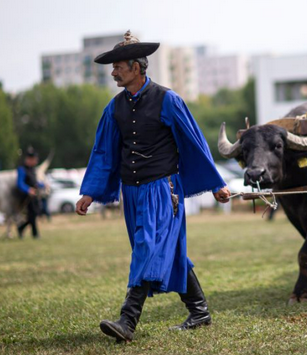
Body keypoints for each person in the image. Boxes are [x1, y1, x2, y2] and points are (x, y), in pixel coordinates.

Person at [75, 31, 231, 343]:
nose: (113, 71)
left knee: (148, 249)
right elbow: (104, 152)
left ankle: (127, 321)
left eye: (118, 66)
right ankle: (199, 311)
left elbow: (194, 142)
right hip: (131, 192)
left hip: (164, 190)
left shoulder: (168, 100)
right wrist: (90, 191)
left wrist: (216, 184)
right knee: (165, 251)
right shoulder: (114, 108)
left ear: (137, 67)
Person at [16, 146, 44, 239]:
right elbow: (20, 183)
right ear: (29, 159)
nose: (36, 162)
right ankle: (35, 234)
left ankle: (21, 228)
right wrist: (28, 190)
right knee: (32, 214)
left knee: (34, 214)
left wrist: (42, 185)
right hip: (26, 196)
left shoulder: (32, 169)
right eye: (34, 159)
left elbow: (34, 182)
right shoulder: (22, 169)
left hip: (34, 195)